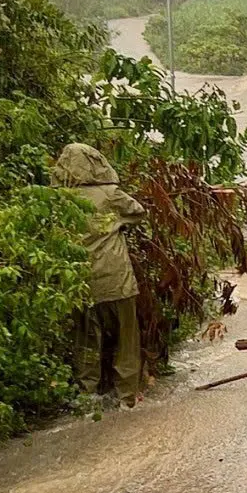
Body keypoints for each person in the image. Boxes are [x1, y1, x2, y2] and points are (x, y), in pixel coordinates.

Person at [52, 143, 146, 408]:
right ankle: (127, 397)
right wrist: (118, 226)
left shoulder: (58, 198)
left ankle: (87, 397)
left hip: (79, 280)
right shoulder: (110, 194)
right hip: (116, 278)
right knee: (125, 340)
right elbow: (137, 212)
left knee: (86, 339)